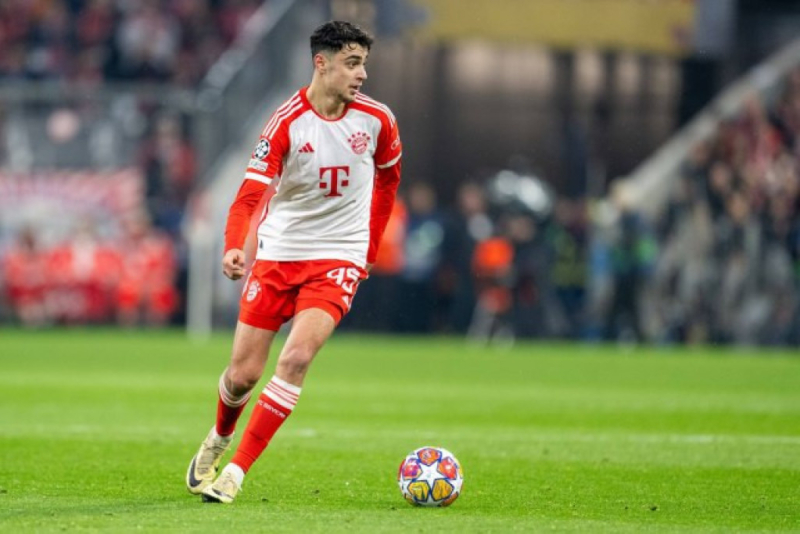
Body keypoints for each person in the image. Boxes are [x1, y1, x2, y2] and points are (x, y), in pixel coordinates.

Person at [186, 20, 402, 504]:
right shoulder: (286, 122)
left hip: (339, 256)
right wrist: (234, 245)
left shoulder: (378, 120)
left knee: (297, 357)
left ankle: (236, 471)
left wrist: (367, 251)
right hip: (280, 254)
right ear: (321, 64)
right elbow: (248, 195)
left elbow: (388, 183)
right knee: (242, 375)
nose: (362, 74)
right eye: (352, 63)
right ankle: (219, 437)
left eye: (364, 63)